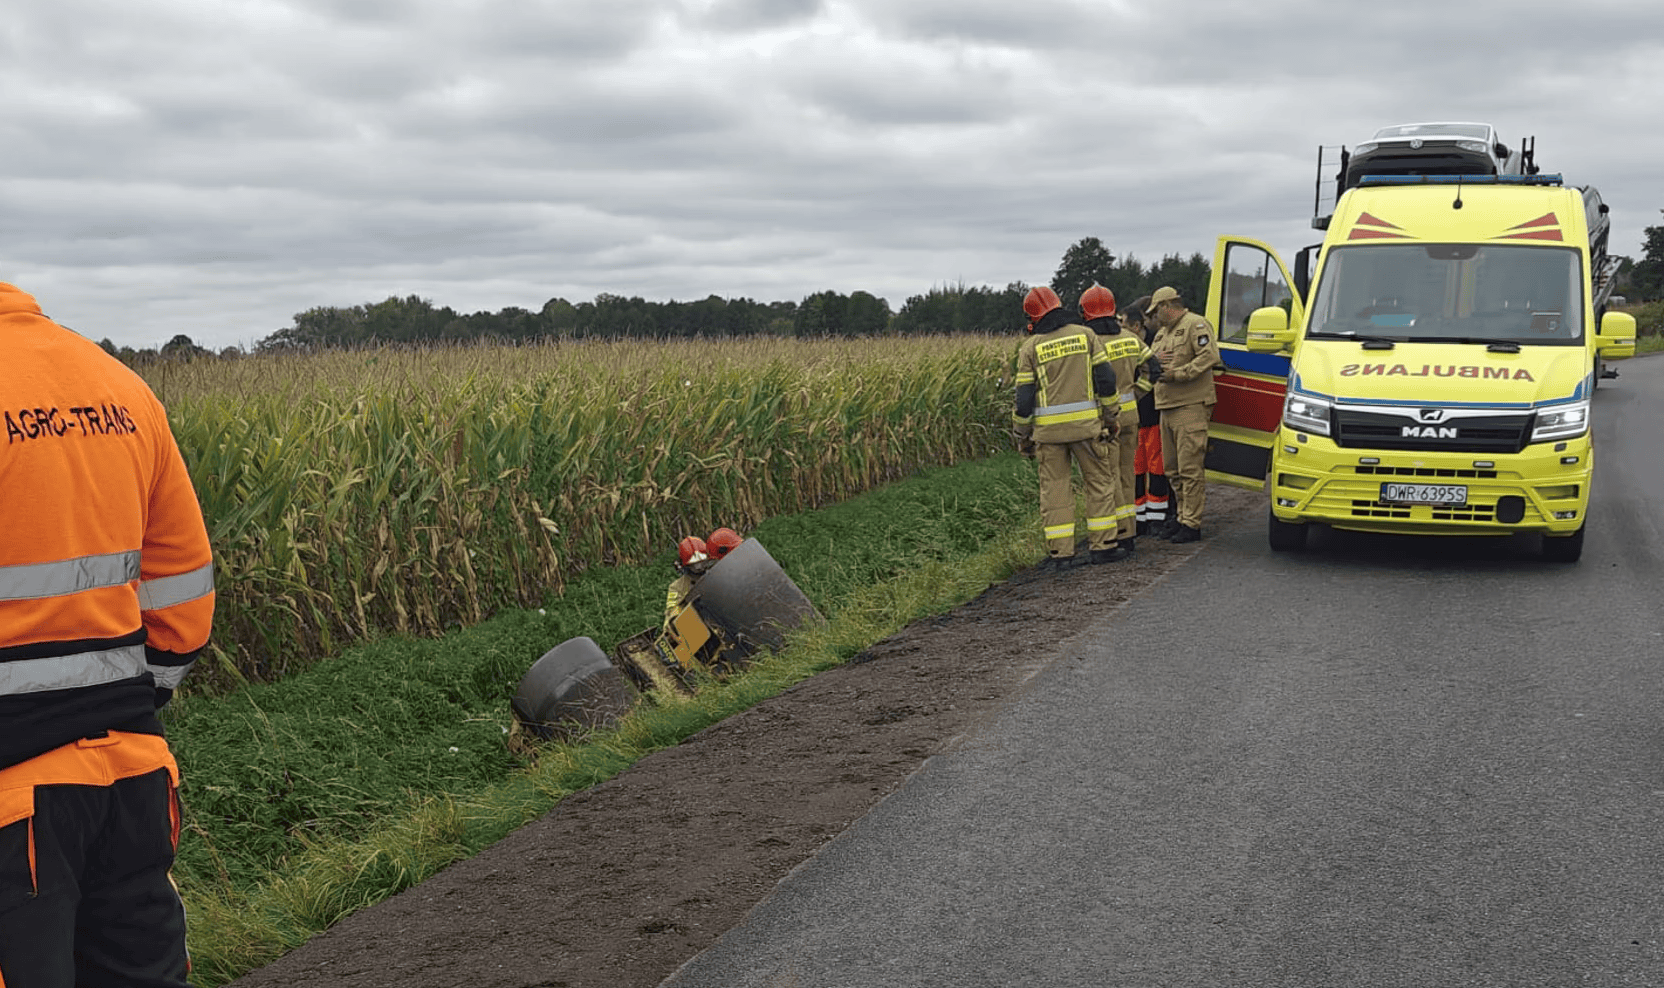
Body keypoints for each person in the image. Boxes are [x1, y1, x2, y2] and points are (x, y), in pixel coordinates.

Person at [0, 282, 215, 987]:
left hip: (14, 804)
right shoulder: (116, 385)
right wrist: (120, 699)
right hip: (134, 776)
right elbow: (184, 596)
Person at [1012, 286, 1121, 571]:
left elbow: (1023, 400)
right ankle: (1104, 546)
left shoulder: (1030, 347)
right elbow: (1106, 381)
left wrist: (1022, 436)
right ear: (1060, 306)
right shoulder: (1086, 336)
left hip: (1048, 436)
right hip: (1087, 428)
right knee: (1099, 484)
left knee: (1055, 491)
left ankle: (1061, 553)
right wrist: (1111, 417)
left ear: (1033, 318)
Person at [1146, 285, 1221, 543]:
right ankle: (1180, 517)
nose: (1155, 317)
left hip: (1190, 404)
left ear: (1167, 306)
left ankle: (1192, 522)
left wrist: (1179, 374)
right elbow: (1151, 364)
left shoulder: (1195, 325)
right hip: (1166, 405)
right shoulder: (1159, 336)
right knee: (1172, 469)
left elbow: (1209, 356)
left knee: (1190, 468)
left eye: (1156, 311)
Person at [1078, 284, 1148, 558]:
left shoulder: (1089, 343)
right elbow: (1153, 368)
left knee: (1109, 478)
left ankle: (1117, 533)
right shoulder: (1131, 338)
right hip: (1131, 415)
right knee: (1127, 474)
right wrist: (1137, 393)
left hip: (1105, 420)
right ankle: (1129, 533)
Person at [1123, 296, 1171, 536]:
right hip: (1135, 417)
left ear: (1136, 326)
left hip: (1151, 414)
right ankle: (1140, 516)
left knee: (1157, 465)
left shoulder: (1153, 343)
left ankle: (1157, 516)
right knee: (1137, 467)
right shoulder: (1128, 345)